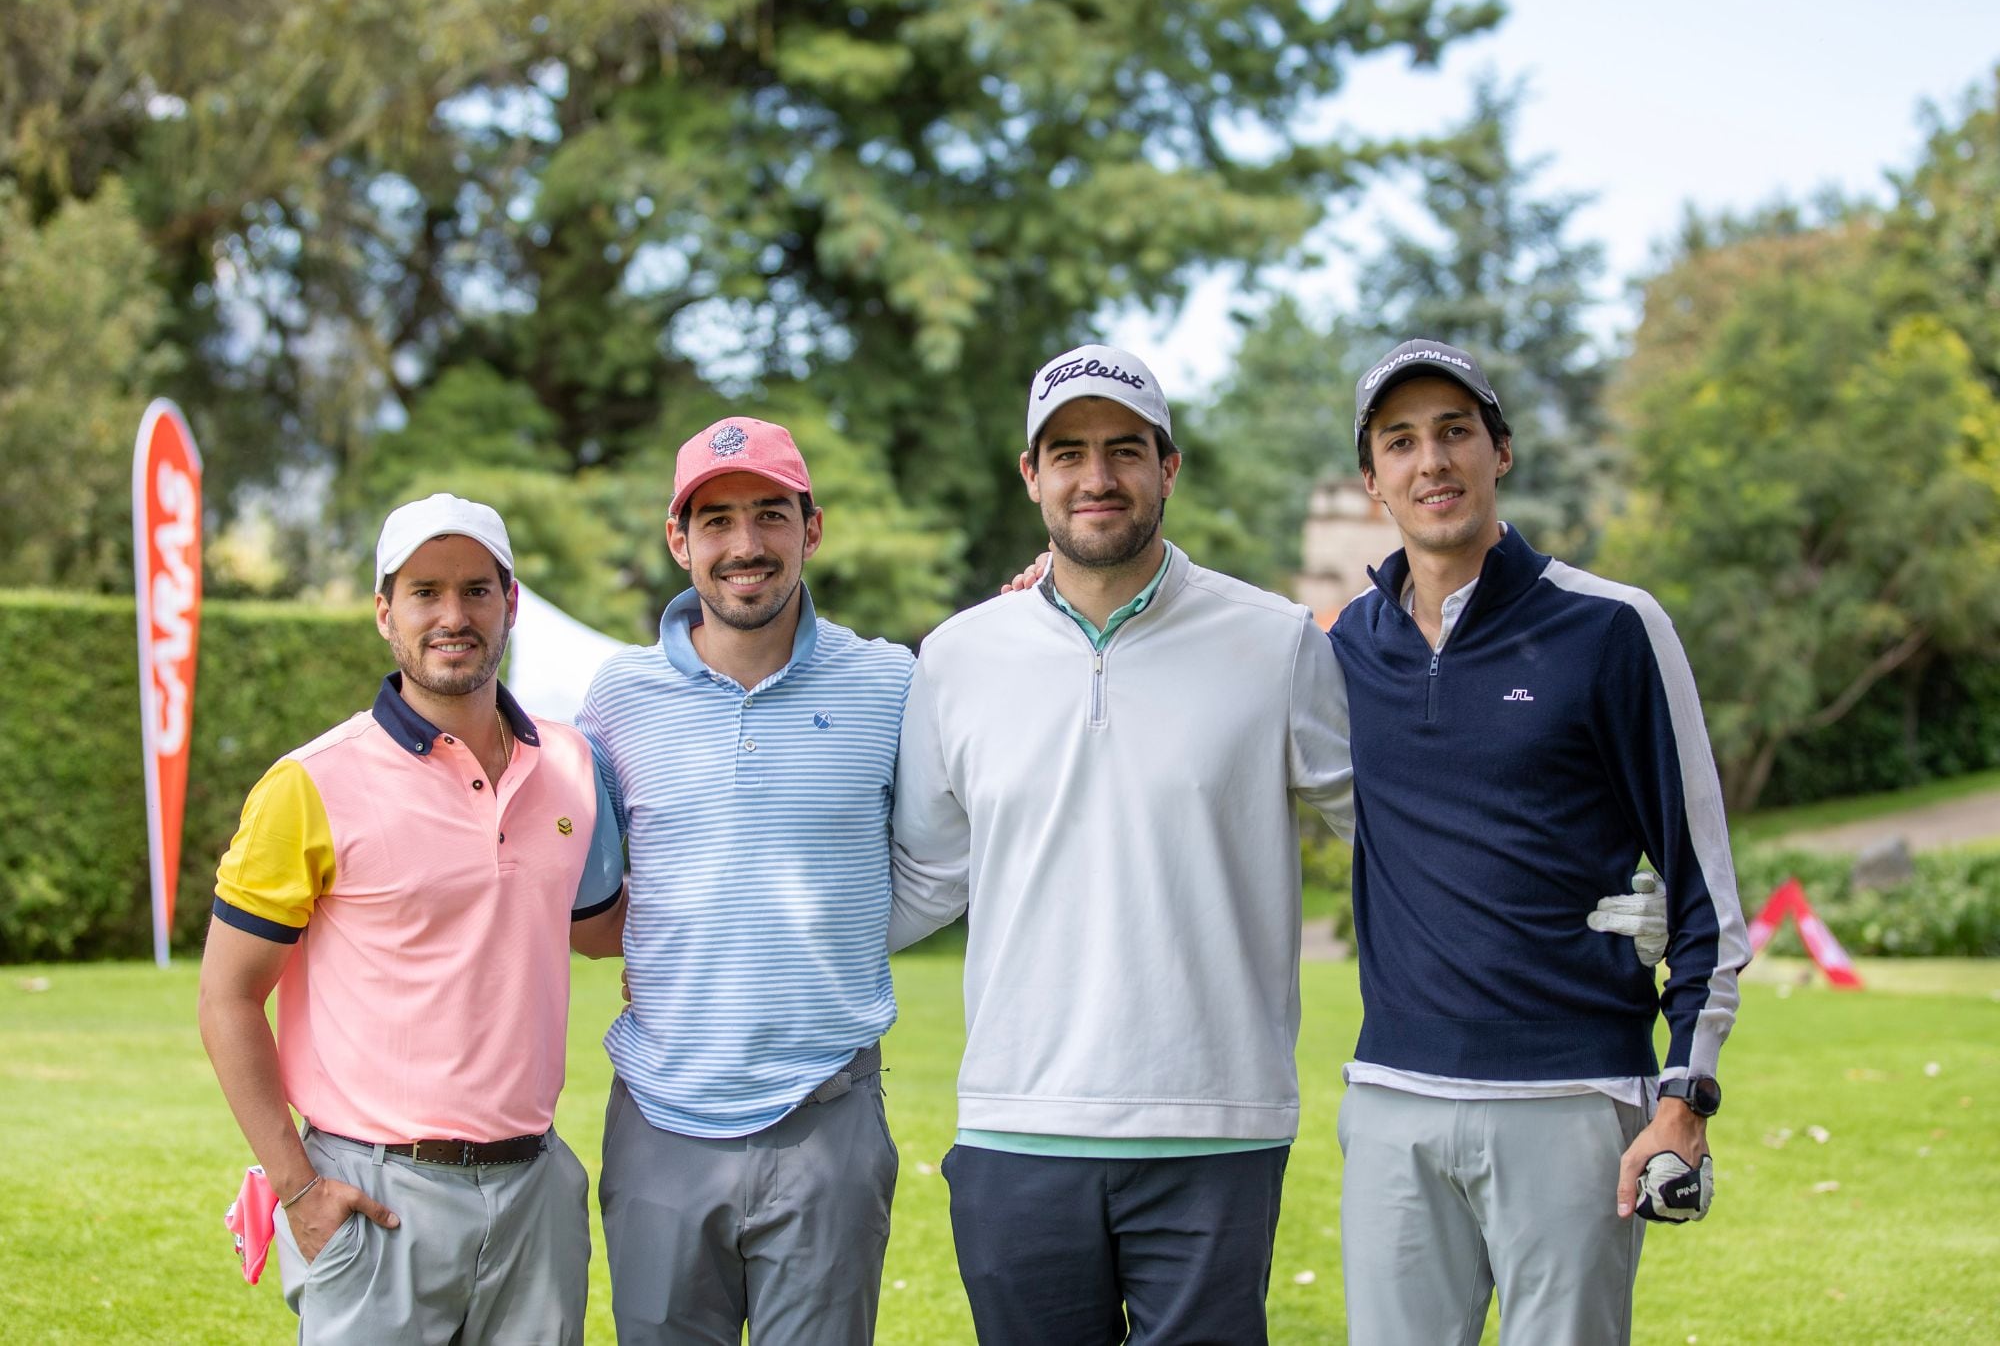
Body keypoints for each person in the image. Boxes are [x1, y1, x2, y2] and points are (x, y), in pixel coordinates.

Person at [889, 345, 1356, 1344]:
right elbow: (922, 876)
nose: (1095, 477)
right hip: (1016, 1120)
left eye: (1123, 450)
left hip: (1215, 1121)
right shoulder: (957, 657)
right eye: (1066, 452)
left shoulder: (1274, 643)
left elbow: (1392, 834)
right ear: (1030, 475)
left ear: (1167, 466)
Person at [1329, 338, 1752, 1345]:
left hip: (1571, 1100)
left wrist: (1684, 1097)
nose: (1429, 461)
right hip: (1392, 1101)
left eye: (1452, 432)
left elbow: (1701, 885)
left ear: (1498, 450)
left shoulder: (1609, 627)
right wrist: (1045, 593)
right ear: (1371, 478)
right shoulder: (1342, 644)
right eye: (1400, 441)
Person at [197, 494, 625, 1345]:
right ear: (385, 611)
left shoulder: (572, 764)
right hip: (373, 1194)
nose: (453, 615)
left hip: (534, 1191)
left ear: (511, 602)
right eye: (425, 591)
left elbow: (596, 928)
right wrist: (296, 1188)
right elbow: (227, 998)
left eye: (476, 589)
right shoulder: (309, 783)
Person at [577, 416, 912, 1345]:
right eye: (716, 520)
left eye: (770, 514)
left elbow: (941, 856)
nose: (745, 545)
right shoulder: (616, 698)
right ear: (679, 541)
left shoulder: (893, 685)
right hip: (658, 1119)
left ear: (813, 528)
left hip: (828, 1118)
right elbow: (576, 878)